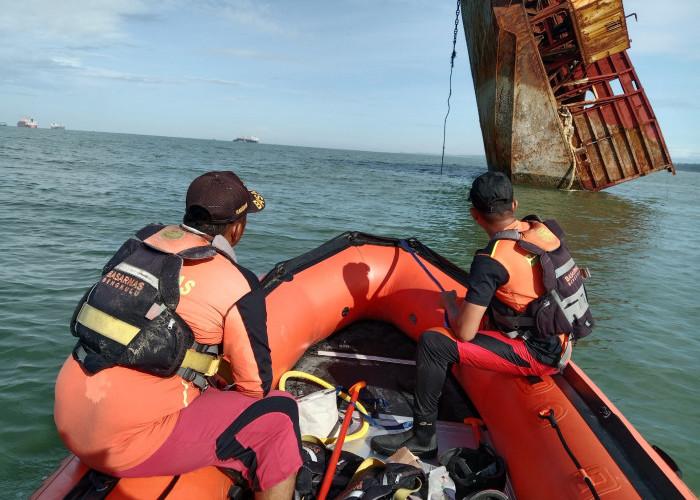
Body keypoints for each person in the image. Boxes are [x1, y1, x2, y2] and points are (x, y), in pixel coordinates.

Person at [54, 171, 302, 499]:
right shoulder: (237, 283)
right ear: (237, 228)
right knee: (280, 414)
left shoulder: (138, 248)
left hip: (67, 416)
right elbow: (254, 387)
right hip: (124, 443)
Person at [370, 171, 593, 459]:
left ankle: (423, 436)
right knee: (466, 318)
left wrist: (451, 305)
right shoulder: (539, 232)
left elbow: (465, 333)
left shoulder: (490, 259)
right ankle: (425, 386)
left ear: (475, 215)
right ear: (514, 206)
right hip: (559, 338)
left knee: (433, 343)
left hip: (537, 353)